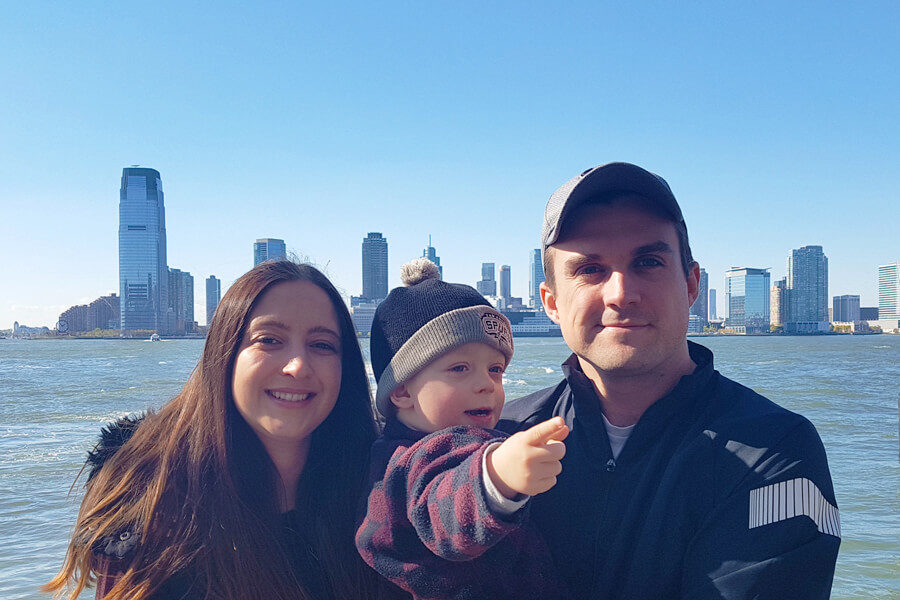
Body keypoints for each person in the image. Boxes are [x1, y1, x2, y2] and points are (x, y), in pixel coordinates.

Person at [498, 162, 841, 599]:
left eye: (648, 261)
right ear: (551, 302)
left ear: (691, 284)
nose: (621, 293)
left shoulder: (776, 451)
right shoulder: (497, 441)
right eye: (590, 269)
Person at [45, 261, 402, 600]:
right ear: (226, 354)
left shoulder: (386, 490)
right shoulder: (151, 507)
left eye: (322, 345)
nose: (297, 366)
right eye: (269, 340)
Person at [356, 258, 567, 600]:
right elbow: (445, 511)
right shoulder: (414, 460)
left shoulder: (415, 446)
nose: (486, 384)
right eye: (459, 368)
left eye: (495, 369)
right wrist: (496, 475)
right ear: (402, 391)